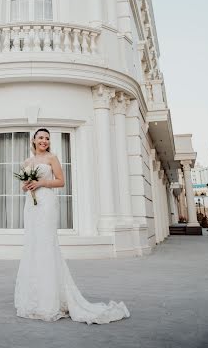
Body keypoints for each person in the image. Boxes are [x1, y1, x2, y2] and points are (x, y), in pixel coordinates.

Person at [14, 127, 130, 324]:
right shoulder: (27, 162)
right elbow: (22, 186)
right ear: (33, 140)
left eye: (47, 138)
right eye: (41, 137)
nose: (44, 141)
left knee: (47, 246)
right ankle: (35, 297)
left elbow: (61, 182)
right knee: (33, 246)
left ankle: (51, 300)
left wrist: (41, 183)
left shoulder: (52, 158)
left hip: (47, 203)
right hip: (31, 205)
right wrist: (26, 186)